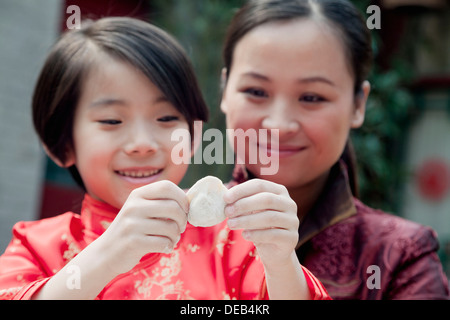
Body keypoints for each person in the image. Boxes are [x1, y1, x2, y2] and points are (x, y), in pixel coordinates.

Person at [0, 17, 329, 300]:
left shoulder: (234, 240)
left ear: (195, 135)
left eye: (167, 119)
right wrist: (111, 253)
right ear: (62, 144)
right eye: (112, 121)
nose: (143, 144)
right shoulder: (36, 246)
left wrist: (281, 260)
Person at [220, 0, 449, 299]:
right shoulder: (172, 234)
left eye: (312, 97)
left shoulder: (400, 259)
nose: (279, 124)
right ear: (224, 90)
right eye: (256, 92)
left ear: (358, 105)